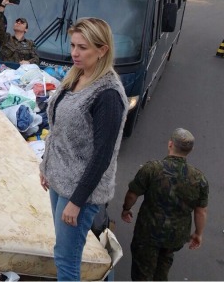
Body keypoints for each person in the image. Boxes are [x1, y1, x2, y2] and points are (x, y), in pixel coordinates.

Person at [38, 17, 128, 281]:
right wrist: (47, 165)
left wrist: (77, 202)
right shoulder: (77, 76)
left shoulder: (108, 95)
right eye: (73, 45)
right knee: (62, 250)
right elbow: (59, 130)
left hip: (80, 191)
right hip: (60, 179)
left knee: (67, 259)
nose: (75, 53)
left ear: (102, 50)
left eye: (83, 47)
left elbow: (102, 156)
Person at [121, 128, 209, 281]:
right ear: (191, 150)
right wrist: (198, 233)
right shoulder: (199, 179)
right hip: (175, 237)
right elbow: (201, 211)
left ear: (170, 144)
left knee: (142, 272)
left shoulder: (152, 169)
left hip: (148, 233)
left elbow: (132, 194)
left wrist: (126, 209)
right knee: (163, 266)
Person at [0, 0, 40, 65]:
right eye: (17, 21)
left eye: (22, 22)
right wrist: (3, 5)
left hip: (20, 73)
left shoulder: (30, 44)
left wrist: (28, 62)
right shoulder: (6, 38)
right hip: (5, 73)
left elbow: (36, 59)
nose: (18, 23)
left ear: (26, 29)